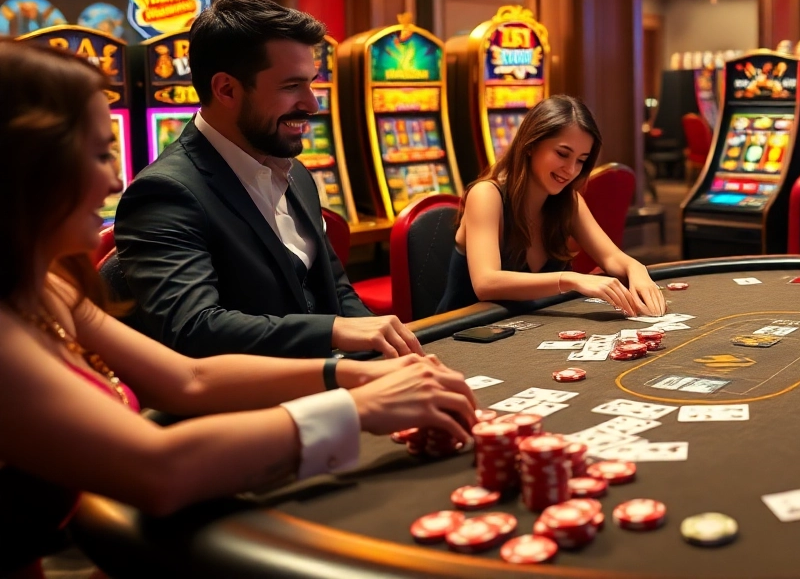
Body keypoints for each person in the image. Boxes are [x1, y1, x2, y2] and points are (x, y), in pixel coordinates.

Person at [0, 41, 479, 577]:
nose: (116, 180)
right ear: (24, 166)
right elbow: (160, 470)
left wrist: (351, 376)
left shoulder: (48, 287)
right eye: (97, 154)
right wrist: (358, 410)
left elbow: (190, 379)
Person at [114, 0, 422, 358]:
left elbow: (336, 290)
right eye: (291, 87)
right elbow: (193, 327)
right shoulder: (164, 193)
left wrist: (388, 354)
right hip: (255, 390)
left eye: (311, 84)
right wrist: (332, 332)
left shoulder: (297, 174)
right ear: (226, 89)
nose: (312, 104)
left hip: (332, 375)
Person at [435, 95, 666, 317]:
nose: (571, 169)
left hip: (523, 327)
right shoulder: (486, 195)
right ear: (530, 145)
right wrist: (572, 280)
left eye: (581, 160)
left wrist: (636, 269)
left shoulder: (568, 201)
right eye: (562, 154)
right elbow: (486, 283)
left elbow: (612, 257)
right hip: (461, 333)